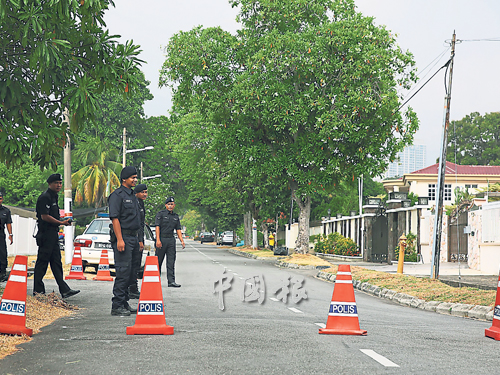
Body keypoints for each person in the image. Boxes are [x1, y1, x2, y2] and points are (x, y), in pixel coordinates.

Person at [33, 174, 80, 298]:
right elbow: (44, 216)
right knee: (42, 263)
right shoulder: (45, 197)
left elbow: (53, 215)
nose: (59, 185)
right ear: (50, 184)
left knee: (56, 262)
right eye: (56, 183)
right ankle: (38, 291)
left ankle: (64, 290)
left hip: (53, 234)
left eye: (60, 183)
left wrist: (63, 219)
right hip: (45, 234)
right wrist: (61, 223)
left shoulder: (54, 197)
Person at [108, 166, 141, 316]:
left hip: (133, 237)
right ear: (124, 179)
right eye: (132, 177)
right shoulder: (117, 195)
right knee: (123, 271)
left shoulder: (134, 196)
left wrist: (139, 240)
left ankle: (125, 302)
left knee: (131, 273)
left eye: (136, 177)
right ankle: (117, 305)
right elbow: (115, 218)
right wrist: (120, 239)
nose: (135, 180)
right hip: (123, 237)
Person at [155, 197, 185, 287]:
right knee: (158, 261)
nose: (170, 206)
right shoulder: (160, 214)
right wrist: (158, 240)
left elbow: (178, 229)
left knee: (171, 261)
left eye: (172, 204)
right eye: (168, 204)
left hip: (171, 240)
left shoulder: (176, 216)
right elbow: (157, 227)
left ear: (174, 205)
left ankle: (171, 281)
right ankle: (156, 280)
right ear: (165, 205)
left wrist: (182, 241)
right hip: (162, 239)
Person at [128, 183, 147, 298]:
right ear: (136, 193)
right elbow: (138, 224)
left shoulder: (141, 203)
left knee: (136, 264)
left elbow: (142, 224)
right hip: (134, 237)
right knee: (133, 265)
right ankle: (131, 288)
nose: (145, 194)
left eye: (146, 192)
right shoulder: (135, 203)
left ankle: (133, 288)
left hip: (138, 237)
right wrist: (140, 240)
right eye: (142, 192)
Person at [0, 192, 13, 282]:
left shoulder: (6, 211)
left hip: (1, 234)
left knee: (2, 253)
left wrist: (10, 235)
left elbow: (8, 223)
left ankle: (2, 273)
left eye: (0, 198)